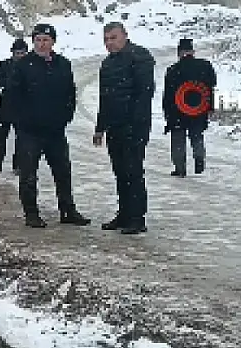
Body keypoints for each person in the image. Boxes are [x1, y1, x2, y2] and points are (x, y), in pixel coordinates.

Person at [6, 23, 89, 228]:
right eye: (38, 40)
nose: (42, 44)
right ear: (33, 42)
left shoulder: (63, 64)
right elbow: (12, 96)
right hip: (30, 132)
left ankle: (68, 210)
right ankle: (31, 214)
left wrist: (66, 116)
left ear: (53, 41)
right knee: (28, 174)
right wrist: (22, 121)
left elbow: (70, 93)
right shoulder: (23, 65)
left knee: (63, 172)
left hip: (55, 130)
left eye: (46, 40)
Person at [93, 22, 155, 235]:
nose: (109, 43)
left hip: (134, 126)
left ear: (125, 36)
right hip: (114, 126)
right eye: (106, 39)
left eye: (113, 37)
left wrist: (135, 124)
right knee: (120, 171)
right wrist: (100, 127)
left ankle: (137, 218)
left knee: (133, 170)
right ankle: (124, 213)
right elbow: (105, 97)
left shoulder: (140, 57)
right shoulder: (107, 64)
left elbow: (144, 94)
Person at [163, 38, 216, 176]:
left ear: (179, 53)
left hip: (177, 110)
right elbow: (211, 86)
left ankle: (180, 169)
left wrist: (167, 113)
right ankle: (199, 160)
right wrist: (210, 107)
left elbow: (168, 94)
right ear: (192, 51)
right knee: (197, 135)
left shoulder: (173, 70)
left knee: (178, 139)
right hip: (199, 108)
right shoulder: (205, 66)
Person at [0, 38, 28, 175]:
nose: (19, 55)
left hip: (23, 108)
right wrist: (7, 82)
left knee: (21, 139)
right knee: (0, 138)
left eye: (22, 53)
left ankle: (18, 165)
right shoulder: (4, 65)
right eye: (17, 53)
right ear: (12, 53)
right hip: (5, 106)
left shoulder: (30, 66)